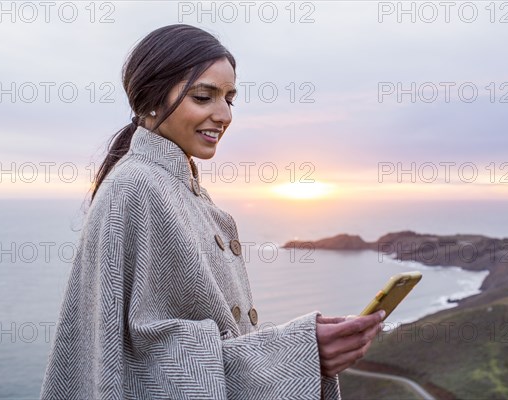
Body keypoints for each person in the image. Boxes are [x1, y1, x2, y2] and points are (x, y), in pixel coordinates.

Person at [40, 24, 386, 400]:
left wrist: (301, 346)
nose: (224, 115)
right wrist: (299, 352)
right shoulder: (136, 187)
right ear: (150, 100)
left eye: (229, 98)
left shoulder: (175, 187)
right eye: (204, 97)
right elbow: (137, 370)